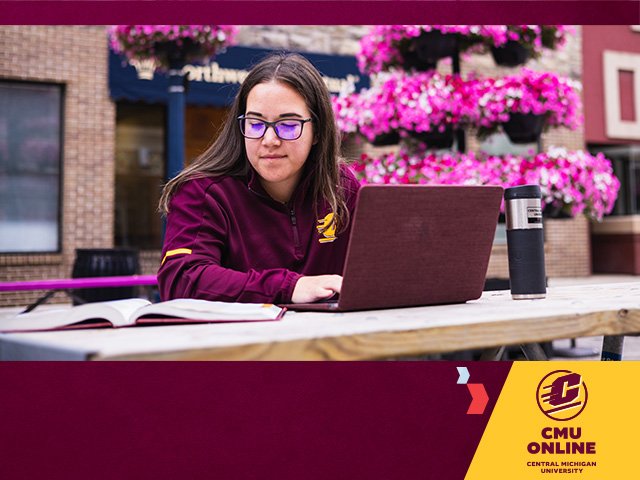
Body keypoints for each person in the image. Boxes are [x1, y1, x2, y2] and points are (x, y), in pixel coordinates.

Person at [157, 52, 361, 304]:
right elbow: (181, 279)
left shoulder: (342, 186)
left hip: (331, 339)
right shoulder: (201, 191)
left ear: (317, 131)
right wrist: (289, 287)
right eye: (255, 124)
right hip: (235, 341)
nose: (269, 140)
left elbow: (376, 268)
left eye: (288, 125)